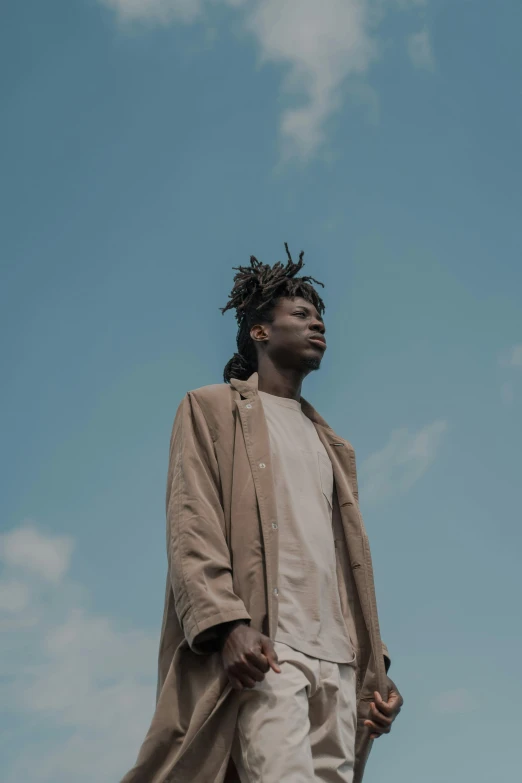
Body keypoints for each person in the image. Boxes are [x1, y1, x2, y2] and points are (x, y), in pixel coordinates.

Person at [121, 245, 403, 783]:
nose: (317, 323)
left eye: (319, 316)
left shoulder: (333, 446)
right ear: (260, 332)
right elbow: (191, 523)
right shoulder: (211, 410)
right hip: (270, 649)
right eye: (300, 314)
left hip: (340, 665)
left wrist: (377, 665)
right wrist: (228, 625)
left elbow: (347, 566)